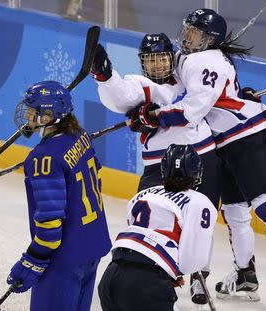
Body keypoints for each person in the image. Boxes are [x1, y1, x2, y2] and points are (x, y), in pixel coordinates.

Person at [131, 8, 266, 300]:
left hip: (245, 135)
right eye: (187, 30)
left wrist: (154, 116)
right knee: (234, 209)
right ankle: (246, 274)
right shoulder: (195, 58)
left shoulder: (205, 61)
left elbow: (191, 111)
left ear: (210, 39)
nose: (187, 37)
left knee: (262, 200)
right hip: (222, 140)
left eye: (194, 33)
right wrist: (235, 95)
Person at [91, 33, 222, 304]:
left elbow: (211, 89)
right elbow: (121, 95)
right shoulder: (142, 85)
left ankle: (199, 276)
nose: (157, 65)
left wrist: (235, 94)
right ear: (142, 63)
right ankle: (152, 267)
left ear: (171, 57)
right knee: (150, 218)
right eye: (150, 60)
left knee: (201, 218)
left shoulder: (188, 74)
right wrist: (106, 76)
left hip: (202, 154)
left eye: (161, 58)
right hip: (159, 164)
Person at [7, 81, 112, 310]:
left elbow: (51, 226)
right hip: (92, 245)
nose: (28, 114)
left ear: (48, 116)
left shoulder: (42, 158)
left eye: (33, 110)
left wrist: (31, 261)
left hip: (65, 258)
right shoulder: (81, 136)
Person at [98, 144, 217, 311]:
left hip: (111, 277)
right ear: (196, 172)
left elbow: (137, 235)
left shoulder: (142, 194)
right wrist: (172, 272)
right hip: (149, 284)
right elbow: (192, 261)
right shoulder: (199, 202)